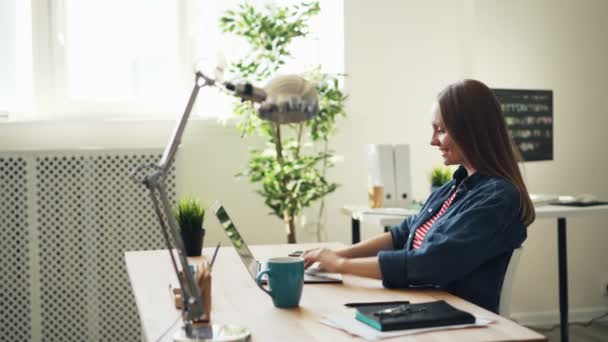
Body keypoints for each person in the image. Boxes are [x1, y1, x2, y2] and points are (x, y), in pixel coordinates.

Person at [302, 79, 535, 313]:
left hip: (455, 318)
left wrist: (342, 265)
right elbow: (401, 235)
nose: (433, 140)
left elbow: (430, 263)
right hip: (421, 302)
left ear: (471, 130)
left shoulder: (497, 198)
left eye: (441, 130)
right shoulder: (453, 187)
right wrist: (336, 255)